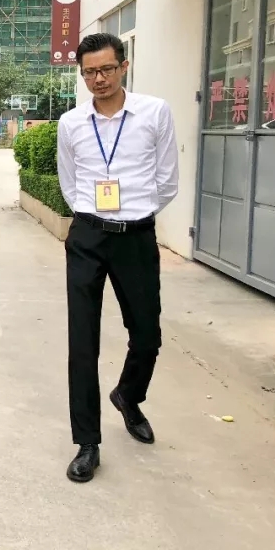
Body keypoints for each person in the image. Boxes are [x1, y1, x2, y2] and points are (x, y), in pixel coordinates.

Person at [58, 33, 178, 484]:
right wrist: (92, 217)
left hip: (136, 237)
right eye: (89, 72)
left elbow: (167, 181)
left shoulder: (154, 112)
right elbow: (70, 182)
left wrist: (134, 215)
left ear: (124, 67)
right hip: (88, 236)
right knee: (82, 342)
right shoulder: (72, 122)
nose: (99, 79)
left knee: (147, 334)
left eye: (106, 69)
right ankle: (87, 442)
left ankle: (128, 395)